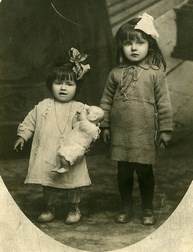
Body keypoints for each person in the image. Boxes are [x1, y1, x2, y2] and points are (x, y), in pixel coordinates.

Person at [100, 13, 173, 225]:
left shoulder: (155, 73)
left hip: (143, 133)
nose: (134, 48)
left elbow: (164, 103)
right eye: (128, 43)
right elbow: (106, 101)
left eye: (139, 43)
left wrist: (165, 130)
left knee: (144, 172)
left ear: (149, 45)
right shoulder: (115, 73)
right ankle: (126, 207)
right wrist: (105, 126)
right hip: (121, 133)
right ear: (120, 47)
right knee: (123, 172)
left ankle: (147, 208)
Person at [14, 48, 92, 225]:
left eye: (69, 84)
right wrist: (23, 136)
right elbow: (30, 121)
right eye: (58, 83)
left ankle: (74, 208)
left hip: (69, 153)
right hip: (49, 150)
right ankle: (50, 207)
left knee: (72, 180)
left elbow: (88, 128)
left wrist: (84, 141)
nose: (63, 88)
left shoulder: (80, 108)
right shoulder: (43, 106)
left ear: (77, 87)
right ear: (51, 85)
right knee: (48, 180)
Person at [52, 105, 104, 173]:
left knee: (64, 155)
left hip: (77, 148)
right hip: (71, 144)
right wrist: (76, 117)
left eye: (88, 113)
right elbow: (74, 124)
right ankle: (59, 166)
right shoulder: (83, 125)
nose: (85, 113)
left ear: (94, 118)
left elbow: (82, 118)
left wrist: (84, 109)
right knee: (60, 154)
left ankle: (65, 167)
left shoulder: (90, 127)